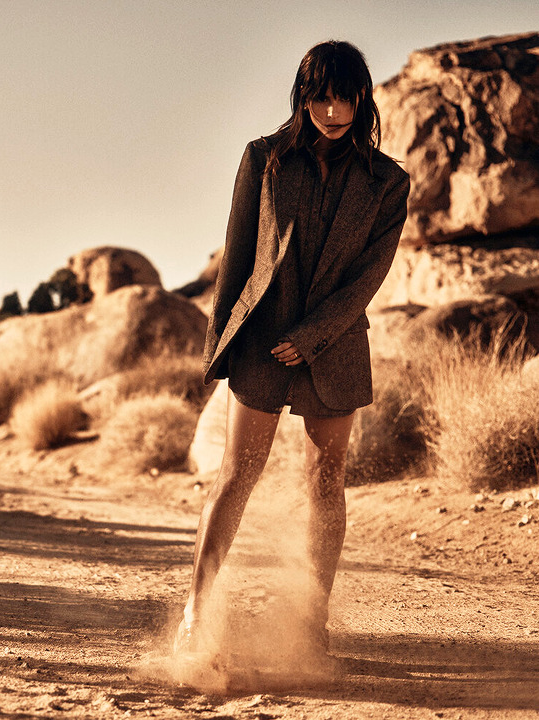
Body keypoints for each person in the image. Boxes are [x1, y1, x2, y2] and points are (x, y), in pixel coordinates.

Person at [176, 40, 410, 655]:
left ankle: (311, 625)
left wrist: (310, 338)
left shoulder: (388, 182)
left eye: (344, 98)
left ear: (363, 99)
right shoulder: (265, 158)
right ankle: (197, 612)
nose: (332, 112)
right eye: (320, 98)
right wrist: (221, 347)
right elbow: (237, 256)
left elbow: (369, 277)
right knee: (236, 476)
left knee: (326, 482)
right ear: (302, 99)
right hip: (261, 341)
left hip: (335, 345)